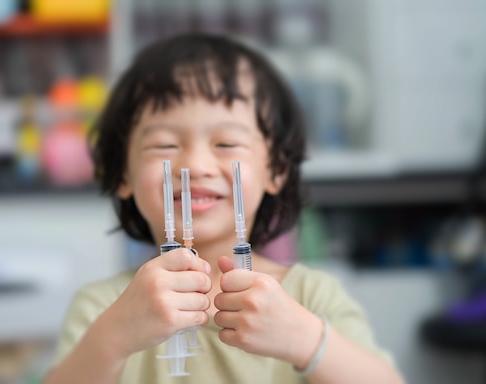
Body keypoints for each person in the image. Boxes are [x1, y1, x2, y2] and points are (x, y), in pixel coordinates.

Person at [45, 33, 404, 384]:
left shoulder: (311, 297)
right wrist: (113, 338)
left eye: (227, 142)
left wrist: (307, 341)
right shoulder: (103, 307)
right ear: (123, 172)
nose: (196, 165)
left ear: (276, 169)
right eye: (165, 144)